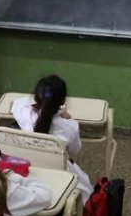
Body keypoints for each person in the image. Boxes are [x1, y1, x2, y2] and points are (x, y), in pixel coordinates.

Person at [11, 75, 93, 203]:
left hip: (26, 171)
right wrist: (66, 116)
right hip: (58, 174)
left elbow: (16, 104)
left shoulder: (24, 114)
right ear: (63, 100)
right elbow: (74, 151)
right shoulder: (69, 126)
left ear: (36, 97)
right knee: (84, 184)